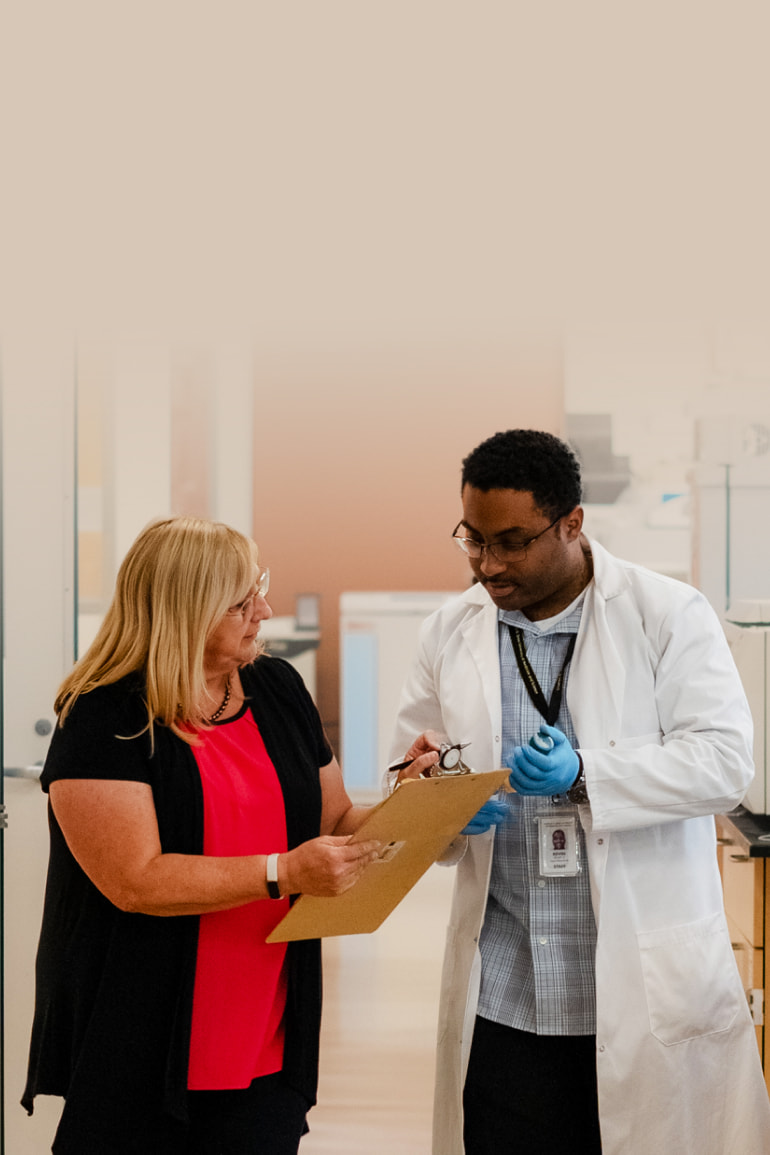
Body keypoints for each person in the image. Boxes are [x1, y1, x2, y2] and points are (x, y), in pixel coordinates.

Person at [388, 429, 770, 1155]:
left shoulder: (666, 614)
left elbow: (725, 763)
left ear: (571, 523)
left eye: (512, 542)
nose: (488, 564)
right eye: (472, 539)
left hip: (633, 982)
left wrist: (588, 772)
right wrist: (435, 795)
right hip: (502, 991)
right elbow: (411, 774)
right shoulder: (451, 630)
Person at [22, 516, 435, 1155]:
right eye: (242, 601)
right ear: (186, 608)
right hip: (142, 1036)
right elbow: (136, 881)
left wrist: (414, 798)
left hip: (265, 1029)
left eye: (260, 589)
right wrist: (283, 873)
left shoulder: (277, 689)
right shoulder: (104, 715)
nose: (264, 611)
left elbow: (335, 827)